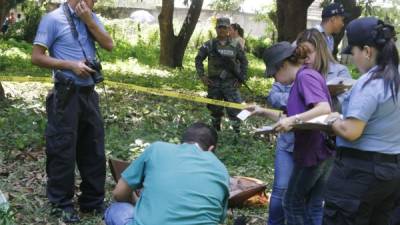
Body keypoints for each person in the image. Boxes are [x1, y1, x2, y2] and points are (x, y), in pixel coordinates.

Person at [31, 0, 113, 222]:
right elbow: (36, 57)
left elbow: (109, 45)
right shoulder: (53, 19)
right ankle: (61, 204)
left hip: (89, 93)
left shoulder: (92, 17)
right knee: (63, 148)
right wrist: (71, 65)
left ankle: (93, 202)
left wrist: (89, 21)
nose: (92, 2)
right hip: (66, 93)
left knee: (94, 147)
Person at [249, 29, 335, 225]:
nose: (274, 80)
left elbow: (324, 108)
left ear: (283, 65)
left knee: (292, 203)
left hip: (315, 153)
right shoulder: (302, 79)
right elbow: (290, 116)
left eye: (273, 74)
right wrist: (262, 111)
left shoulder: (305, 77)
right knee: (307, 204)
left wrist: (292, 120)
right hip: (317, 152)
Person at [323, 17, 400, 225]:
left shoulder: (371, 82)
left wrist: (332, 121)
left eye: (354, 52)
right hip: (391, 172)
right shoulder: (396, 77)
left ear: (367, 51)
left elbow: (351, 131)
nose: (354, 58)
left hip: (358, 172)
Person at [104, 122, 230, 225]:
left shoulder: (158, 148)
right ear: (211, 149)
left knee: (116, 209)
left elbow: (119, 193)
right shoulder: (222, 169)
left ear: (182, 142)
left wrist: (136, 201)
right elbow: (219, 218)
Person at [195, 17, 248, 133]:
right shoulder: (209, 45)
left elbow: (244, 61)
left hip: (231, 84)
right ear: (216, 28)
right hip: (214, 84)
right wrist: (202, 76)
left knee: (236, 111)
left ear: (229, 29)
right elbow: (198, 59)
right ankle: (215, 134)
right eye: (220, 27)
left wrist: (242, 78)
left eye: (225, 27)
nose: (222, 30)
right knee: (214, 111)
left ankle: (237, 135)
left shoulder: (235, 45)